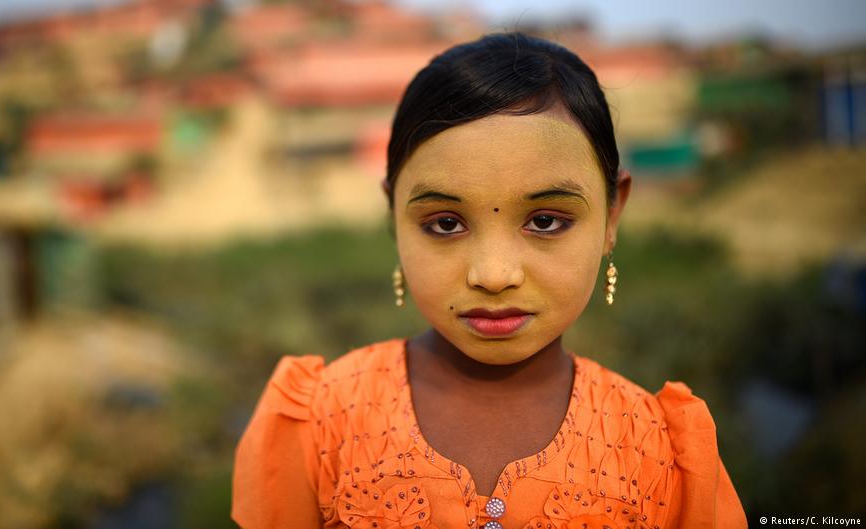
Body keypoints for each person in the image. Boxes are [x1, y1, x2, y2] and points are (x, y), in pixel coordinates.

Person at [231, 32, 747, 529]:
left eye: (546, 221)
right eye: (445, 224)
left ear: (612, 216)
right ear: (393, 216)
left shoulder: (660, 449)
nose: (494, 276)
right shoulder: (320, 420)